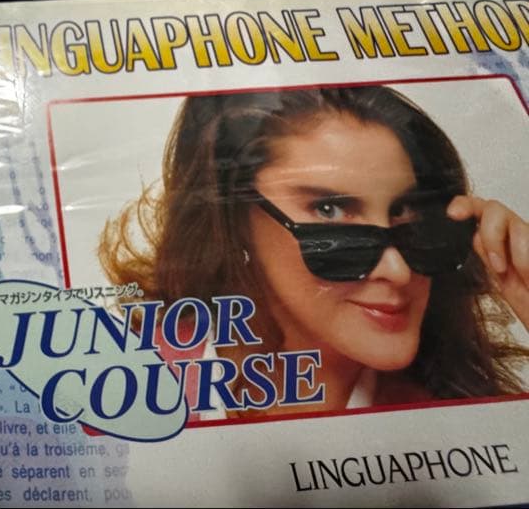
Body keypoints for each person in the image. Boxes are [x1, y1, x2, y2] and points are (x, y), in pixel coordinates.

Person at [99, 86, 529, 418]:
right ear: (232, 221)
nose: (397, 270)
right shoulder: (116, 390)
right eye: (330, 210)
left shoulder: (464, 417)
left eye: (406, 213)